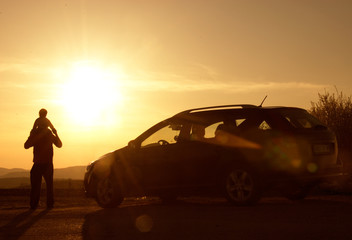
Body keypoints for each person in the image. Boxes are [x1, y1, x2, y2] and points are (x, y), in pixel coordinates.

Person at [24, 124, 62, 209]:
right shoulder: (50, 135)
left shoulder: (36, 135)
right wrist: (56, 133)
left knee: (35, 185)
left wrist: (31, 134)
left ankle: (34, 204)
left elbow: (26, 146)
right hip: (48, 164)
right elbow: (59, 145)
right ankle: (49, 204)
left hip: (38, 164)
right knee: (49, 185)